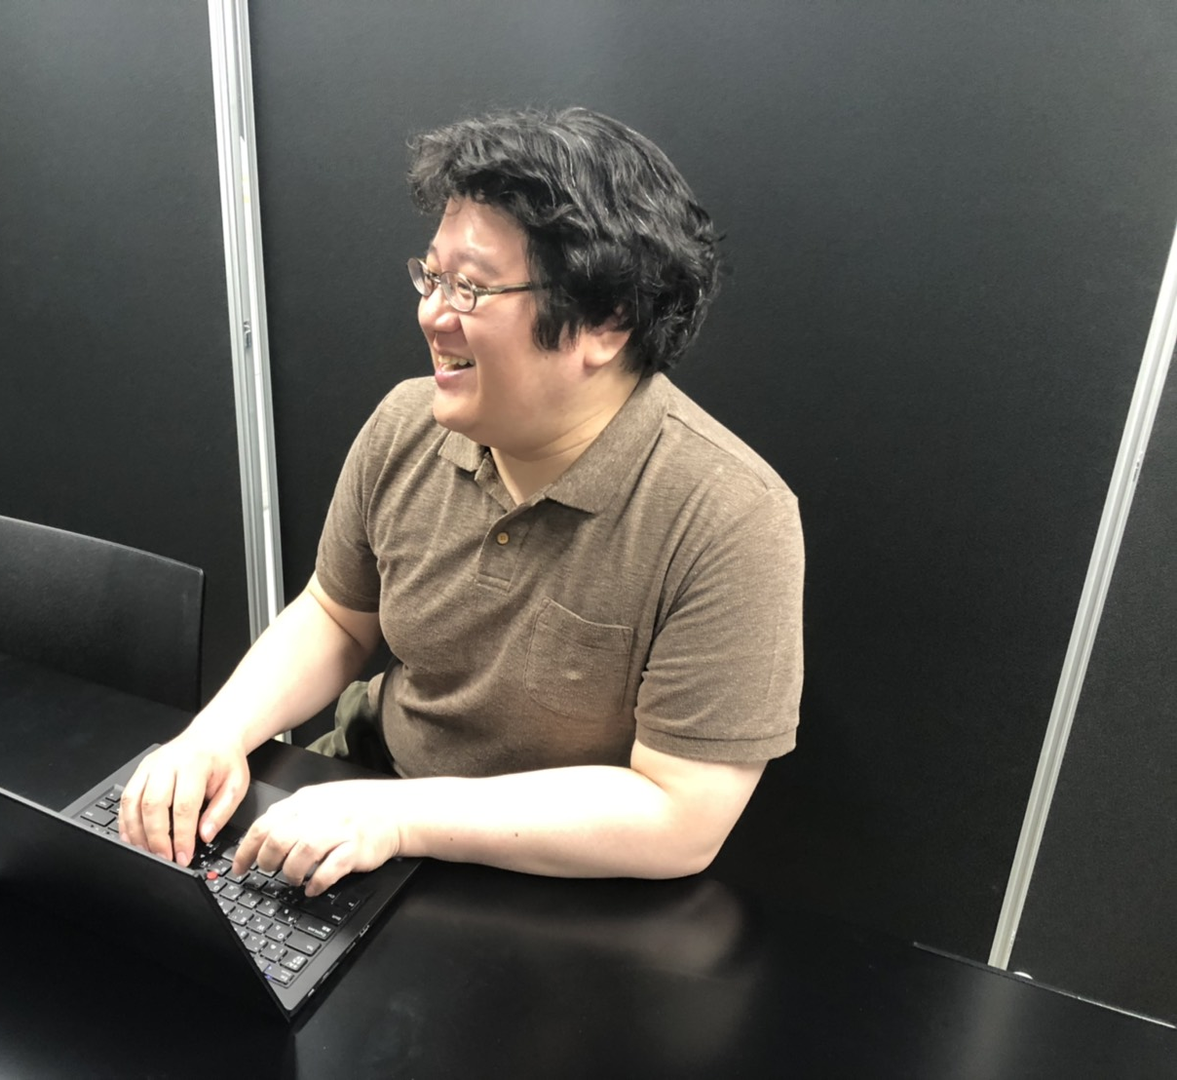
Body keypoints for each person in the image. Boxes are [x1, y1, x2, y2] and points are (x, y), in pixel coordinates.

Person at [119, 107, 804, 897]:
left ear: (605, 322)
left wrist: (398, 818)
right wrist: (214, 736)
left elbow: (681, 817)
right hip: (362, 799)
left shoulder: (730, 517)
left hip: (556, 881)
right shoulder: (405, 424)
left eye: (471, 287)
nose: (432, 314)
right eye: (433, 277)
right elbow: (337, 616)